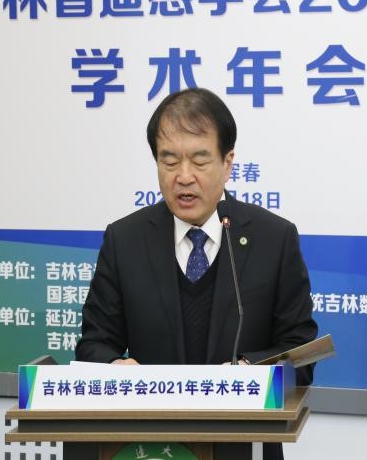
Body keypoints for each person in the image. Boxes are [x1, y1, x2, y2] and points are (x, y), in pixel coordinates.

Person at [76, 87, 318, 459]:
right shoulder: (125, 240)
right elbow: (93, 344)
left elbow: (300, 353)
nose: (183, 176)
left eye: (200, 160)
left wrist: (250, 371)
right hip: (150, 446)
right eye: (169, 161)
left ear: (227, 163)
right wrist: (114, 365)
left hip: (244, 447)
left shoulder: (274, 239)